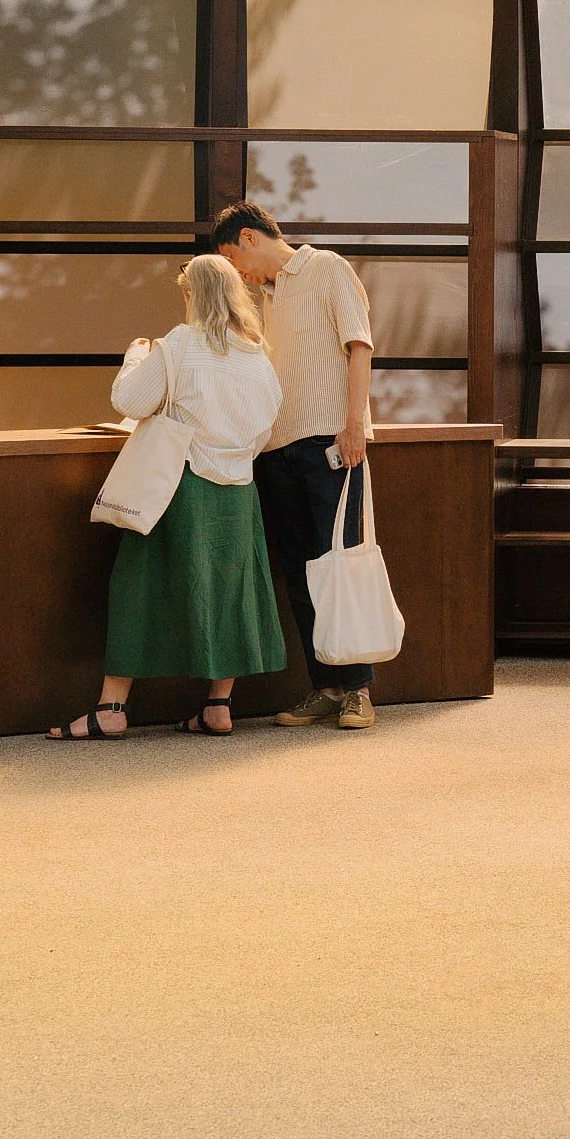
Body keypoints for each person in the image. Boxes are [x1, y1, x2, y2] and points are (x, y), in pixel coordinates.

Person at [48, 255, 285, 740]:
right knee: (229, 592)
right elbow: (268, 423)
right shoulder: (258, 356)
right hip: (238, 490)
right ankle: (218, 706)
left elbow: (130, 402)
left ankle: (112, 709)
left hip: (177, 486)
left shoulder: (180, 345)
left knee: (140, 585)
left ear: (192, 295)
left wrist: (137, 354)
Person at [212, 200, 379, 731]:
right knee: (301, 573)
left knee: (340, 566)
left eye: (233, 259)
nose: (238, 273)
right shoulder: (263, 299)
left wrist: (354, 424)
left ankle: (359, 692)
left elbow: (359, 346)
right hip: (273, 450)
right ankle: (325, 686)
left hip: (330, 442)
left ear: (248, 238)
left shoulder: (327, 267)